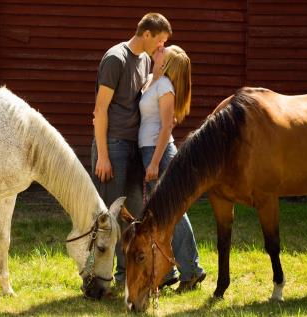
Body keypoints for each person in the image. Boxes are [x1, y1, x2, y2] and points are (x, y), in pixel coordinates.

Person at [91, 13, 172, 285]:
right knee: (110, 217)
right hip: (113, 145)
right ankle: (99, 277)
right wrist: (102, 155)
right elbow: (100, 110)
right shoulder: (116, 59)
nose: (162, 47)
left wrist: (158, 69)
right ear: (146, 34)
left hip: (134, 146)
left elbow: (146, 95)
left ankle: (128, 276)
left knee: (135, 215)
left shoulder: (146, 60)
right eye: (160, 41)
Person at [139, 45, 206, 292]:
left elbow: (167, 127)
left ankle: (192, 269)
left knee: (174, 214)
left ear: (166, 63)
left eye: (163, 51)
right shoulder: (151, 81)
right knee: (159, 216)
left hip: (160, 154)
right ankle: (170, 272)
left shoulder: (165, 87)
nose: (159, 48)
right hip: (148, 151)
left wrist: (155, 162)